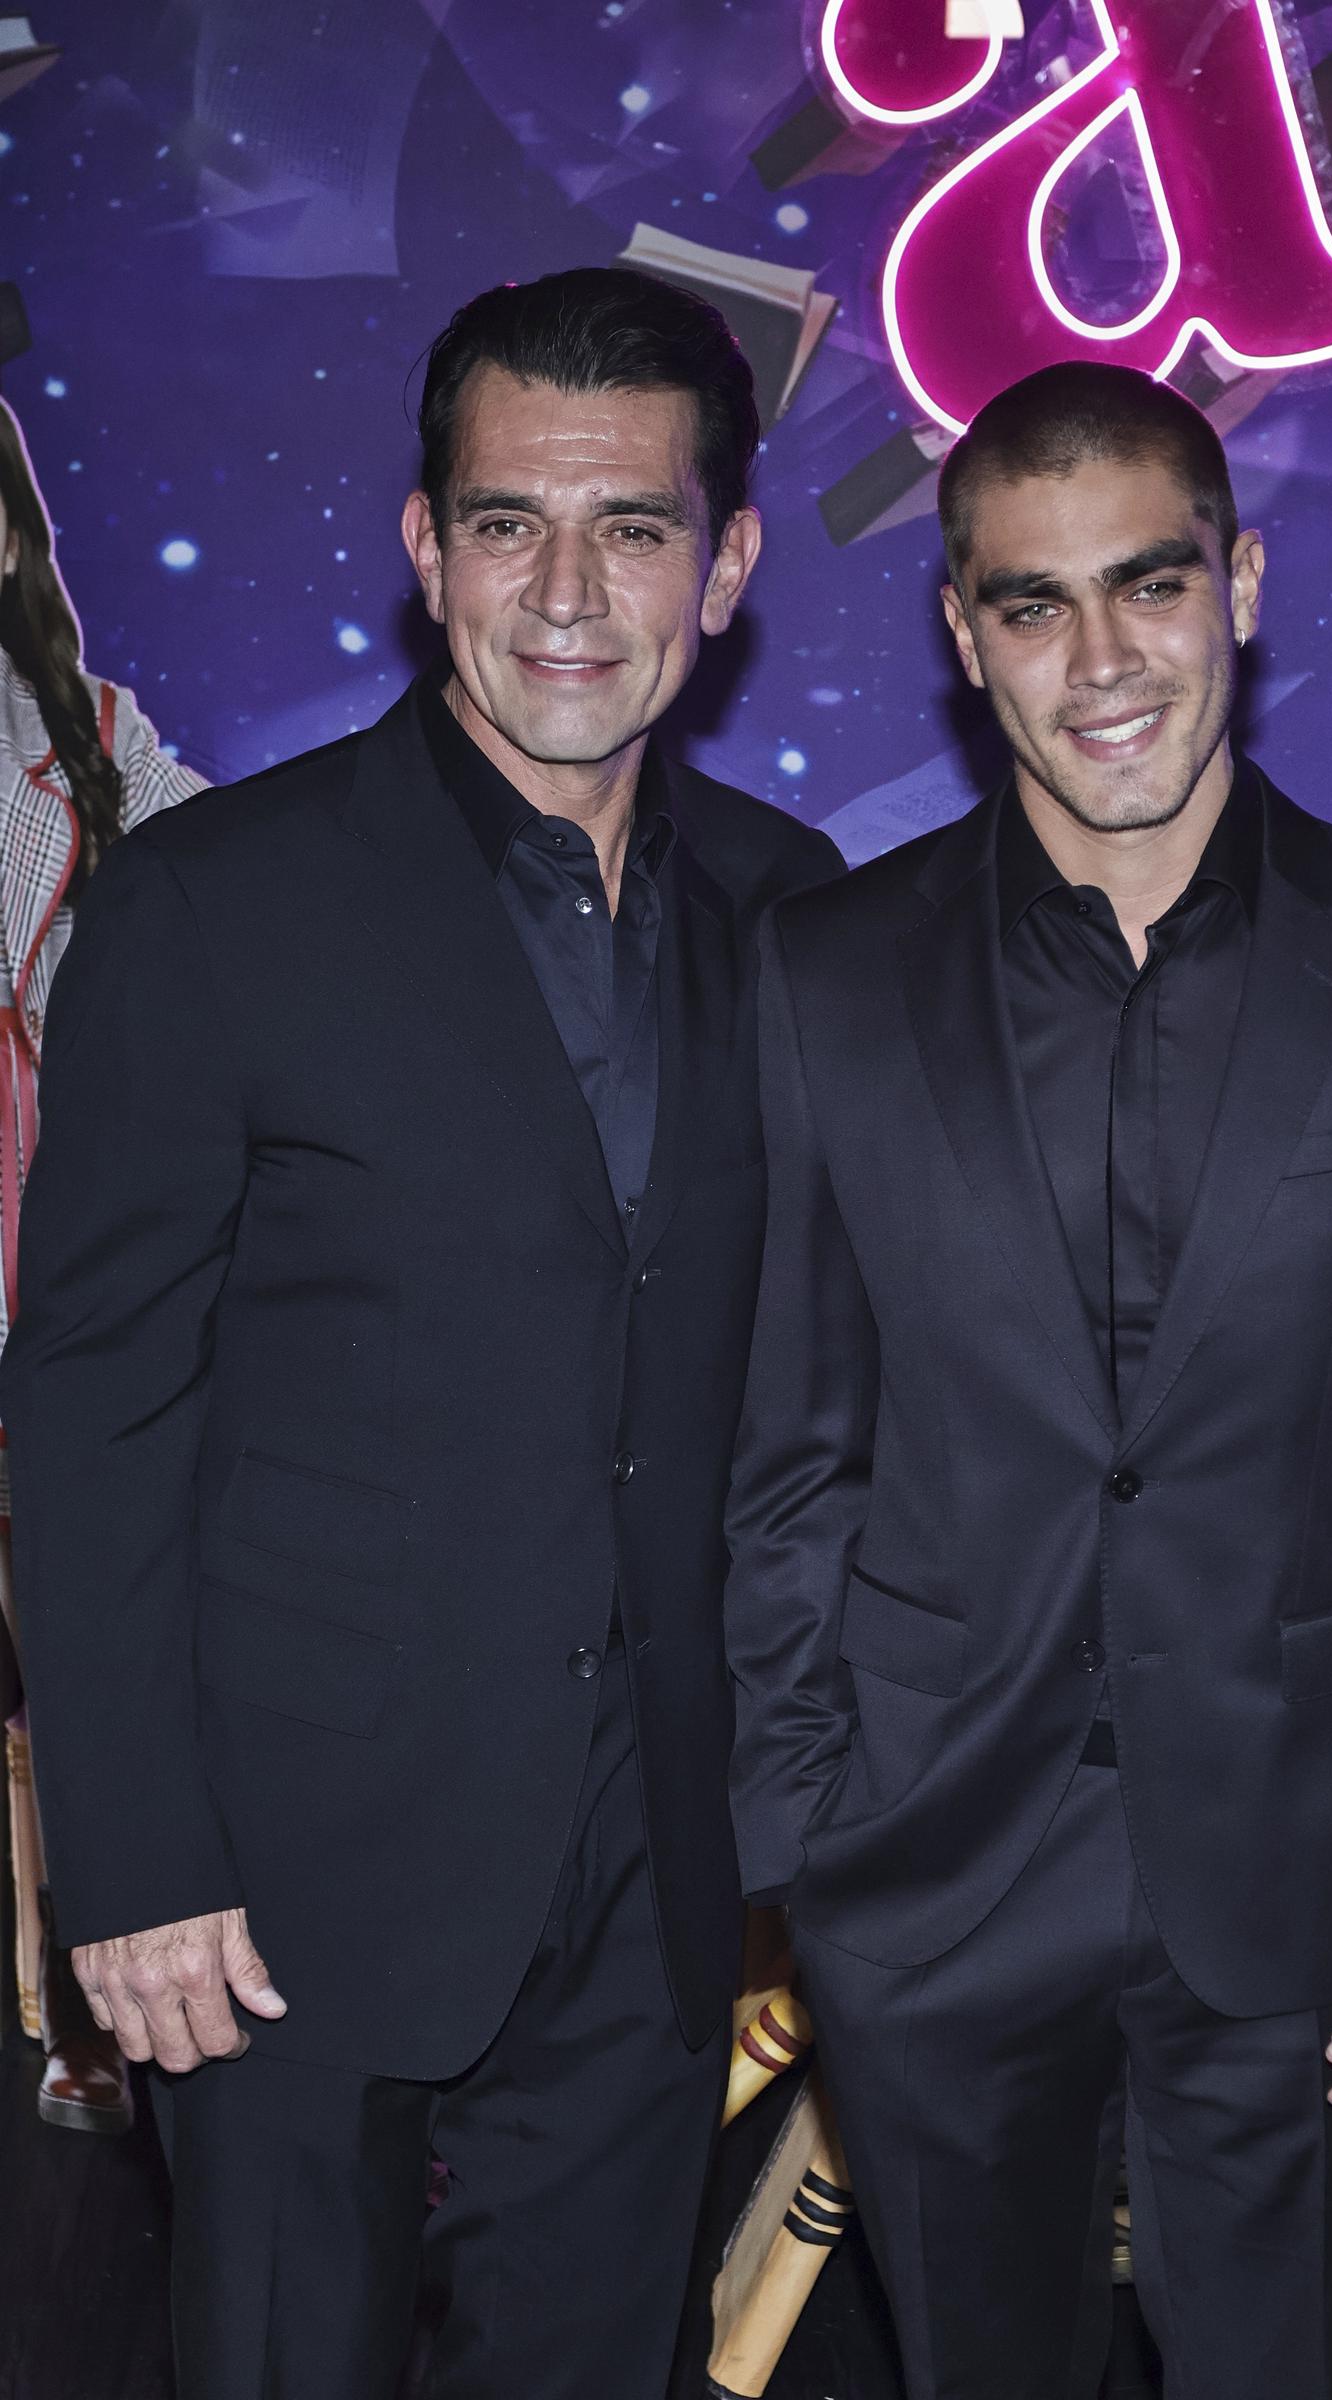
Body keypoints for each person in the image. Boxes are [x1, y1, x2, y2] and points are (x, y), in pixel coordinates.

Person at [1, 267, 839, 2397]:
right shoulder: (211, 905)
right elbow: (89, 1414)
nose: (564, 592)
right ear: (421, 545)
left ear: (726, 565)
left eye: (633, 528)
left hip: (660, 1884)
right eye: (502, 523)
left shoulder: (798, 904)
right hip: (275, 1895)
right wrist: (135, 1864)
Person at [723, 361, 1332, 2400]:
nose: (1098, 658)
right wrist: (816, 1845)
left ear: (1240, 585)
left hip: (1310, 1889)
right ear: (960, 634)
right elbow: (779, 1453)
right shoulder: (824, 975)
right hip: (929, 1884)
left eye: (1149, 584)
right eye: (1029, 602)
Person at [0, 394, 206, 2136]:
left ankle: (89, 2017)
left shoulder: (95, 739)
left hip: (62, 1250)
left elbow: (242, 888)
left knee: (82, 1642)